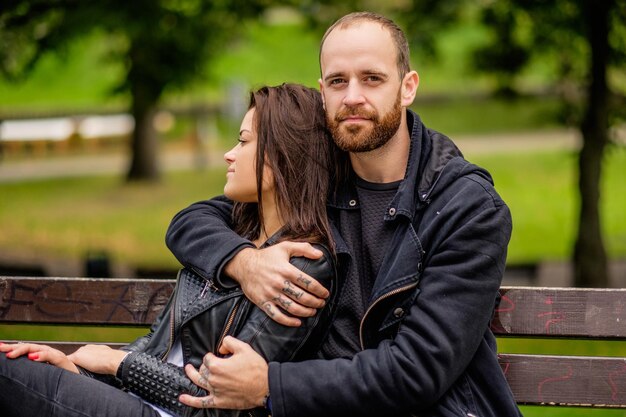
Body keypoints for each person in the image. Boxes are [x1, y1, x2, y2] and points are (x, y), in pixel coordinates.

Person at [165, 11, 522, 417]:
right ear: (323, 93)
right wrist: (245, 263)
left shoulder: (465, 207)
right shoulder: (318, 177)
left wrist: (270, 386)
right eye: (338, 81)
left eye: (372, 78)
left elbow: (417, 369)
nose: (352, 96)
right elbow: (192, 221)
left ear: (408, 88)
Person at [0, 83, 338, 417]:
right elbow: (158, 345)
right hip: (137, 399)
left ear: (281, 155)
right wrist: (79, 372)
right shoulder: (232, 233)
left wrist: (117, 361)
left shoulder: (302, 267)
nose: (229, 153)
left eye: (244, 141)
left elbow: (217, 403)